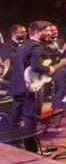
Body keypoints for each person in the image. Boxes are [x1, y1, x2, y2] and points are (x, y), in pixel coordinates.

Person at [8, 21, 54, 153]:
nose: (50, 33)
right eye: (47, 30)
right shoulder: (36, 46)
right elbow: (37, 67)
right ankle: (32, 151)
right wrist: (49, 69)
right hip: (30, 88)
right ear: (37, 32)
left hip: (19, 86)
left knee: (15, 119)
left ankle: (17, 147)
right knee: (31, 120)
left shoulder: (24, 45)